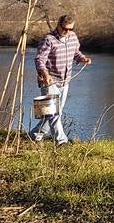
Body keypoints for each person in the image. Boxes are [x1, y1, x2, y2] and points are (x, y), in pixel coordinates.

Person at [28, 14, 92, 145]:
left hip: (65, 81)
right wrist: (45, 75)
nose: (67, 32)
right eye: (65, 29)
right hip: (49, 81)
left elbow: (76, 53)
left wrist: (82, 58)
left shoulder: (73, 37)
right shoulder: (48, 39)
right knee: (53, 113)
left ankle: (34, 135)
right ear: (58, 25)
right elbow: (39, 60)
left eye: (71, 29)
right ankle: (61, 141)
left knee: (52, 113)